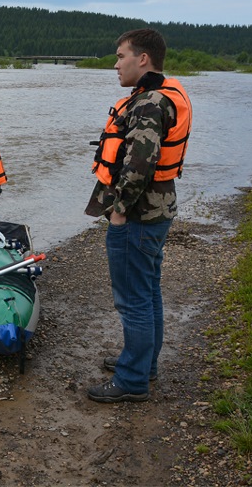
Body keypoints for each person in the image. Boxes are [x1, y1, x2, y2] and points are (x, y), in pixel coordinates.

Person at [84, 29, 192, 403]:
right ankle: (144, 365)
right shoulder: (164, 95)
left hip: (138, 216)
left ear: (142, 59)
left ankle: (132, 380)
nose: (115, 65)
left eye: (120, 56)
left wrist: (118, 211)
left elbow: (140, 163)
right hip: (158, 212)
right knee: (147, 293)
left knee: (133, 300)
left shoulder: (148, 103)